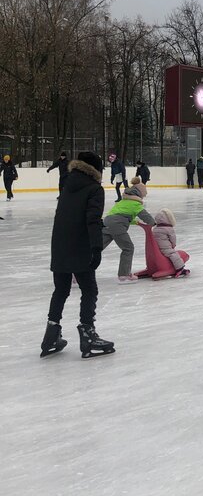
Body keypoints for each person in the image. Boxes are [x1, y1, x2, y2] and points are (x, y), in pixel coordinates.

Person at [41, 150, 115, 359]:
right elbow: (92, 220)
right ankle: (88, 334)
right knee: (89, 288)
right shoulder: (94, 188)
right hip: (80, 245)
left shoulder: (66, 184)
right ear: (96, 170)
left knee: (61, 290)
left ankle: (51, 334)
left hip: (60, 245)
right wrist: (96, 248)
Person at [102, 177, 155, 282]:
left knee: (97, 248)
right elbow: (146, 216)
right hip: (117, 225)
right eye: (144, 194)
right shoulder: (136, 204)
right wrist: (154, 223)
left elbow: (122, 215)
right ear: (139, 193)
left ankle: (77, 272)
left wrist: (136, 222)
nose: (144, 196)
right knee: (128, 248)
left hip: (107, 223)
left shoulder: (124, 201)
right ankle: (124, 275)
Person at [152, 208, 189, 277]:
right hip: (165, 248)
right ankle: (180, 269)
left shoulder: (155, 229)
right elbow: (173, 239)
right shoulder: (169, 229)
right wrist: (173, 245)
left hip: (156, 249)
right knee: (173, 254)